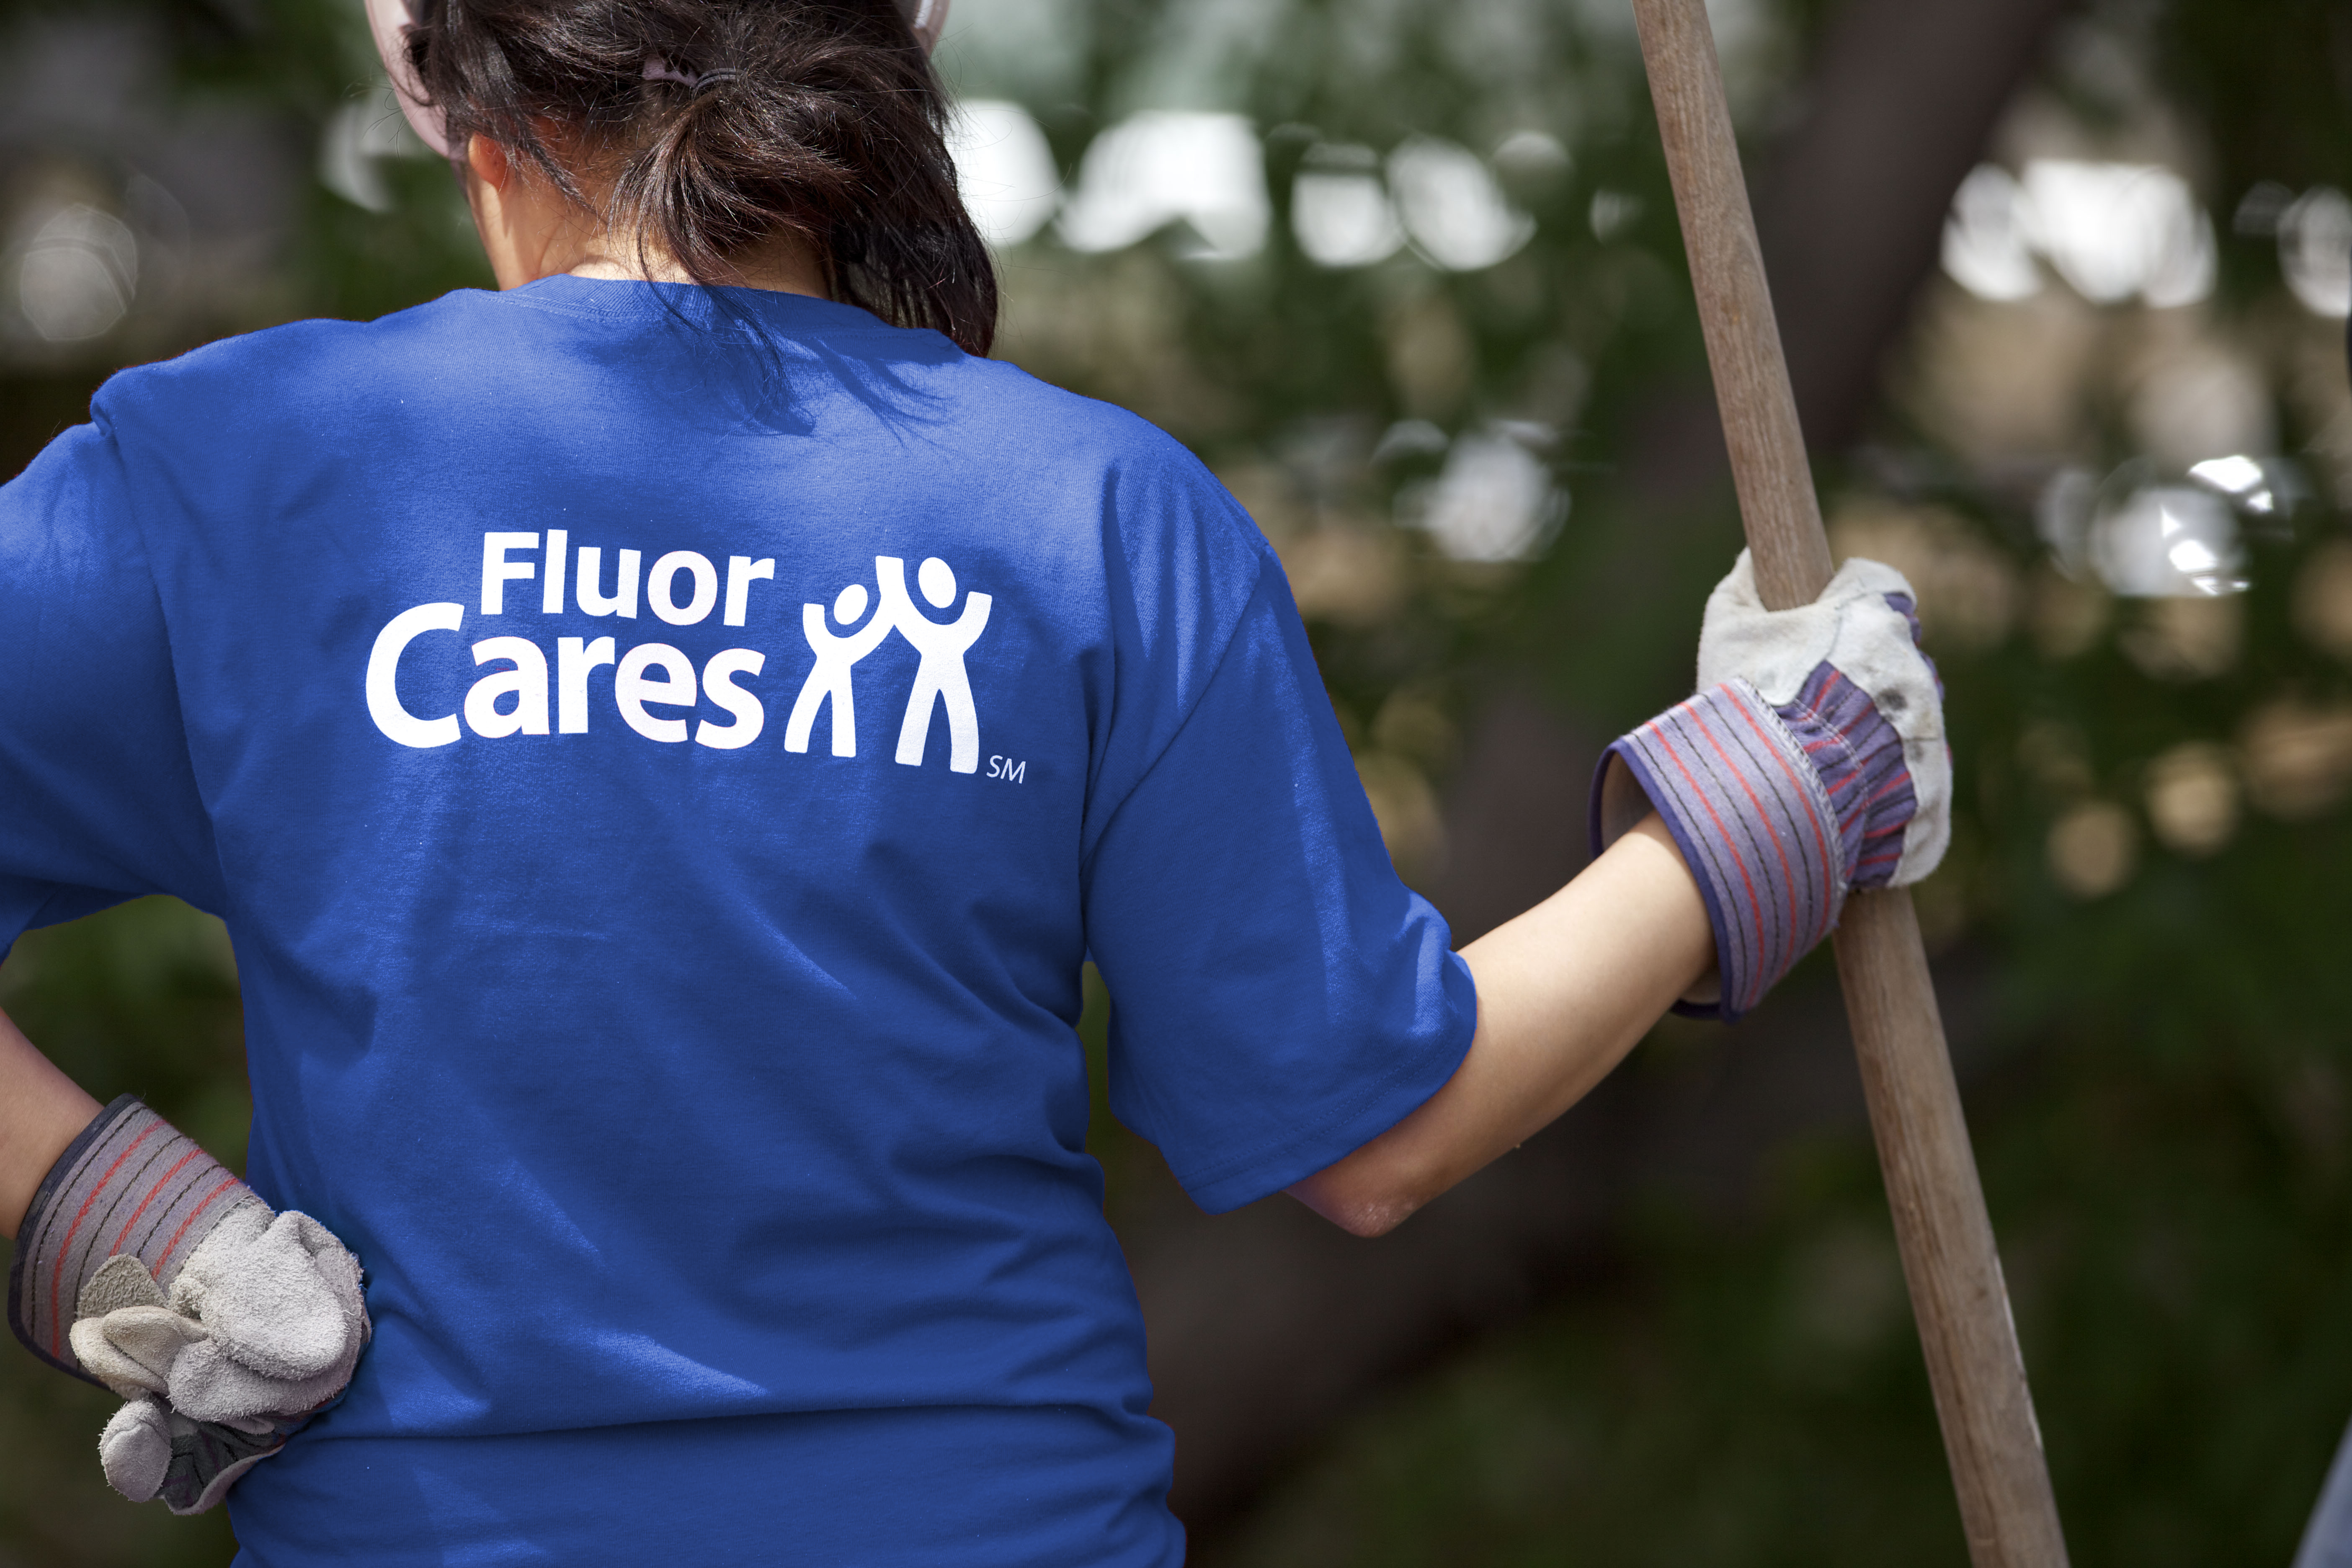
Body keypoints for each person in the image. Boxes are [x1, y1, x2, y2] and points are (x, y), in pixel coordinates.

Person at [0, 0, 1949, 1560]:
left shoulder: (243, 481)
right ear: (903, 55)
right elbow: (1382, 1130)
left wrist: (100, 1215)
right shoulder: (1092, 521)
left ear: (432, 70)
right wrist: (1781, 791)